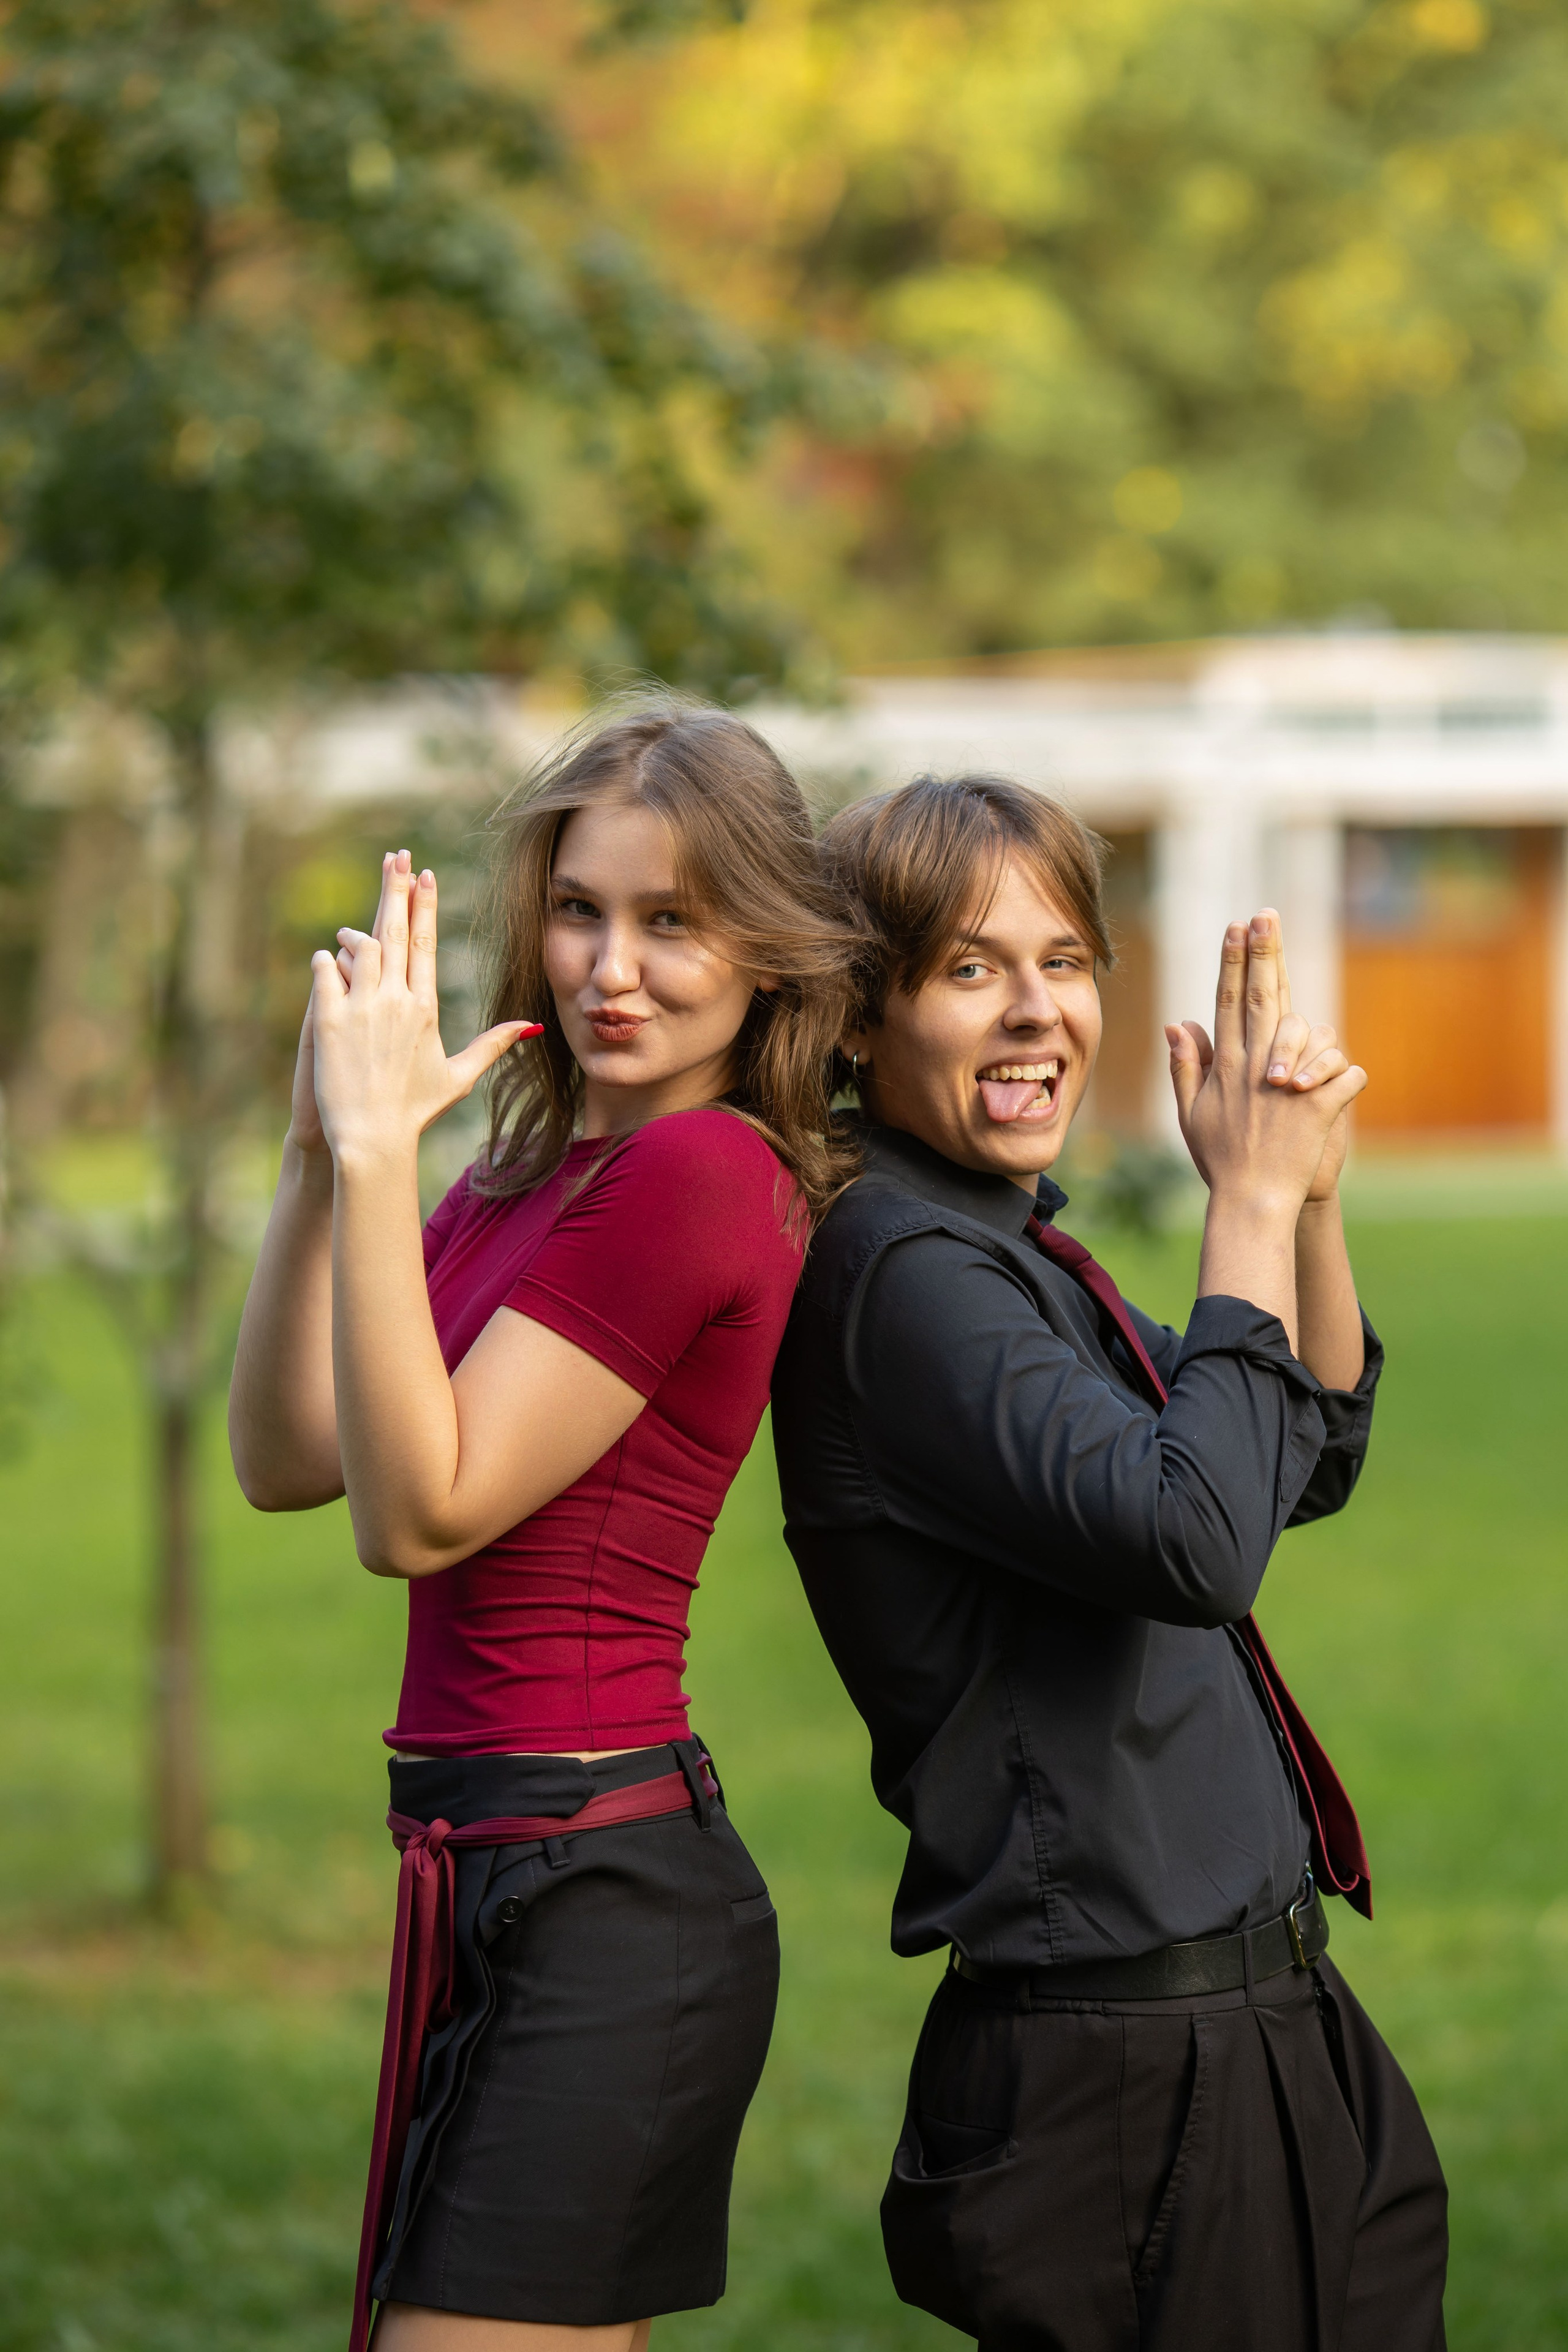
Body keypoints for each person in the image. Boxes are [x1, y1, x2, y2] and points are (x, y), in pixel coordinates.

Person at [770, 774, 1447, 2352]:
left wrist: (1305, 1206)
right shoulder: (904, 1273)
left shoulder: (1005, 1251)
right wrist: (1244, 1204)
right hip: (1131, 2072)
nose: (1036, 1011)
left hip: (1265, 2016)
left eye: (1064, 960)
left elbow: (1295, 1459)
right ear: (857, 1017)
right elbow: (1195, 1542)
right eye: (969, 968)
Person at [228, 707, 856, 2352]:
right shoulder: (518, 1178)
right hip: (494, 1871)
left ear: (766, 950)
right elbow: (290, 1459)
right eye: (581, 910)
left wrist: (385, 1156)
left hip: (602, 1896)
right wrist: (321, 1157)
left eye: (672, 921)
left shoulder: (704, 1173)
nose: (611, 969)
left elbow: (418, 1517)